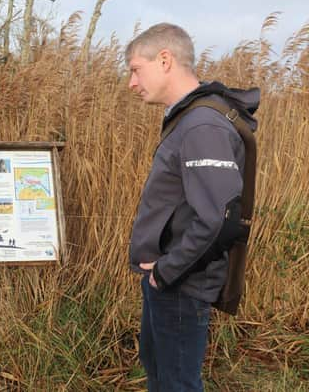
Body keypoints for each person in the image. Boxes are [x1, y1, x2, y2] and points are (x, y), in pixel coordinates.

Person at [126, 23, 259, 391]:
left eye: (136, 69)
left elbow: (220, 219)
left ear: (165, 59)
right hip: (167, 283)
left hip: (181, 286)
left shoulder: (202, 126)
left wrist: (166, 272)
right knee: (162, 376)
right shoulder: (188, 119)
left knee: (177, 385)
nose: (131, 83)